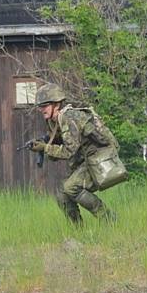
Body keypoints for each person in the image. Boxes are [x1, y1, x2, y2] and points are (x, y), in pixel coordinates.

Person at [28, 83, 119, 223]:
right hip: (87, 160)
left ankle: (109, 219)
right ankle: (78, 231)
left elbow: (69, 151)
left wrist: (45, 148)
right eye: (40, 106)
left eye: (45, 105)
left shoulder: (69, 118)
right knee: (61, 194)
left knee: (71, 187)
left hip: (100, 157)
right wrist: (45, 144)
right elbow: (61, 146)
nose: (41, 109)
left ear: (56, 105)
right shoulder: (55, 121)